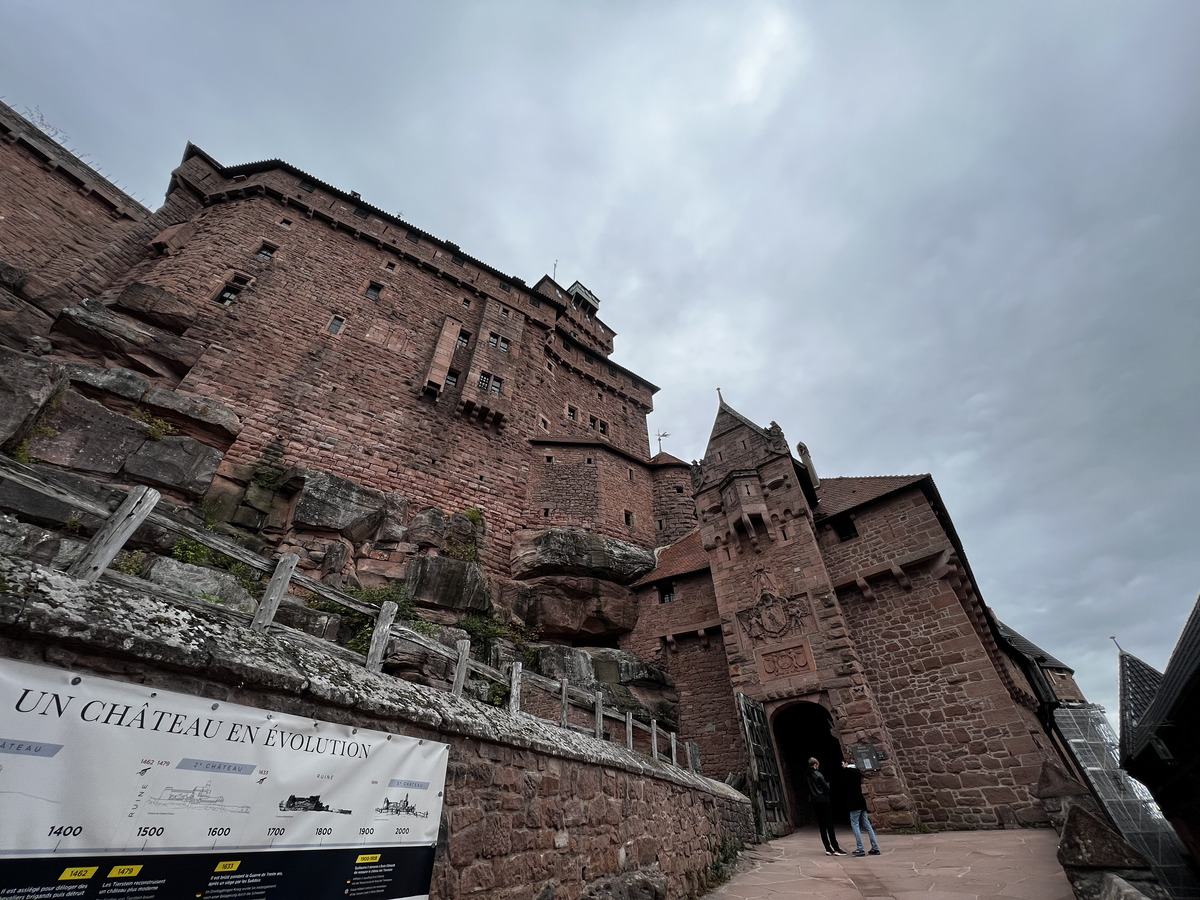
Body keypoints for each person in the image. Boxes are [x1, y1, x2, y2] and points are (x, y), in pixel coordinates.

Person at [806, 757, 846, 856]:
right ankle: (836, 848)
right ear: (815, 764)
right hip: (823, 800)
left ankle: (828, 848)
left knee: (822, 826)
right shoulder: (817, 774)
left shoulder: (806, 775)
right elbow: (826, 787)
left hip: (815, 801)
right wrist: (828, 785)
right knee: (829, 825)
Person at [841, 760, 881, 857]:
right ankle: (875, 847)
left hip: (853, 802)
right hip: (861, 801)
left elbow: (843, 783)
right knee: (867, 825)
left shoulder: (847, 774)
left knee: (855, 825)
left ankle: (860, 848)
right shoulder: (857, 774)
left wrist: (845, 768)